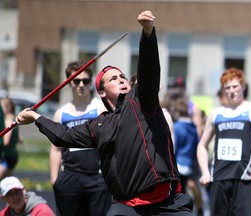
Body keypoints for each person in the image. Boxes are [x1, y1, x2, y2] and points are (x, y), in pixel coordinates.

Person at [16, 10, 194, 216]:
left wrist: (147, 33)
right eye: (113, 78)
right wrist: (36, 117)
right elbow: (64, 135)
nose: (120, 79)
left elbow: (149, 68)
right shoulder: (99, 125)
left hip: (167, 203)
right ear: (101, 91)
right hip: (127, 206)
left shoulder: (142, 100)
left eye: (122, 76)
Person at [197, 67, 251, 216]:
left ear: (243, 87)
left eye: (235, 86)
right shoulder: (216, 114)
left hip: (244, 179)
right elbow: (201, 146)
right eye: (227, 88)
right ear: (223, 90)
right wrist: (205, 172)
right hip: (219, 179)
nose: (232, 91)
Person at [49, 62, 111, 216]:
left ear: (91, 82)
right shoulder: (61, 114)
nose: (81, 85)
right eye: (76, 80)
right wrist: (55, 181)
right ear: (69, 82)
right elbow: (55, 149)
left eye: (86, 81)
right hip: (70, 176)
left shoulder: (101, 109)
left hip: (97, 177)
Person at [173, 96, 203, 215]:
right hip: (190, 164)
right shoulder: (193, 128)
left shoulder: (176, 127)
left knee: (179, 192)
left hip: (178, 164)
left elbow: (174, 146)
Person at [0, 98, 23, 179]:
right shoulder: (14, 120)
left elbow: (6, 141)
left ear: (7, 108)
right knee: (6, 183)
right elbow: (21, 140)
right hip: (13, 155)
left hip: (6, 156)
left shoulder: (7, 122)